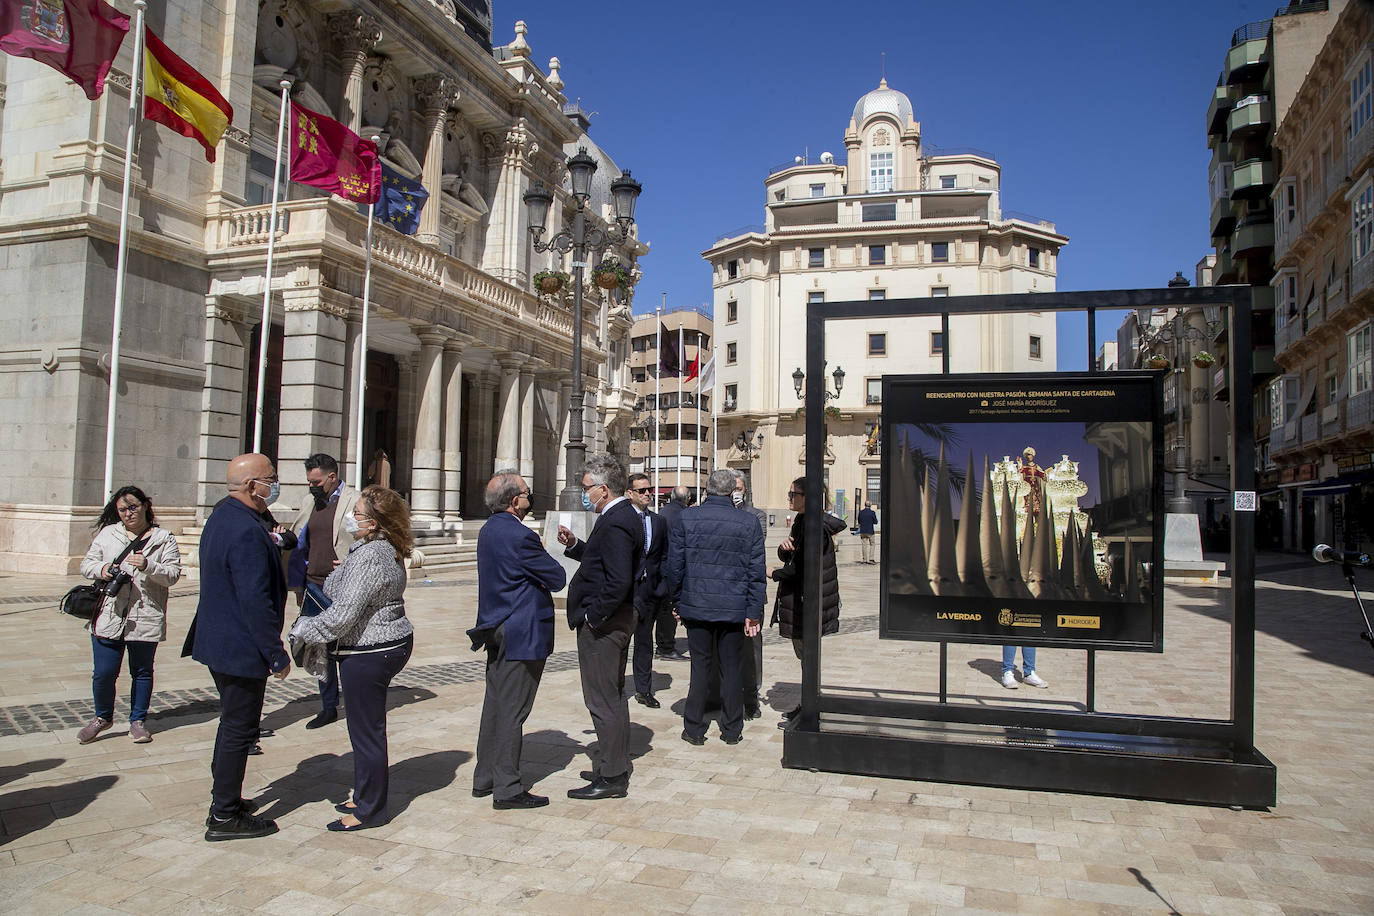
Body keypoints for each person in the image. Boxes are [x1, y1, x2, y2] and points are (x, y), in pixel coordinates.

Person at [291, 486, 415, 830]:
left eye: (357, 513)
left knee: (366, 732)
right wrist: (344, 570)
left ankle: (370, 809)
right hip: (381, 642)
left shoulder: (370, 556)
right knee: (364, 729)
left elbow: (343, 612)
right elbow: (335, 588)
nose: (351, 517)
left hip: (370, 649)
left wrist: (304, 632)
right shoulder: (374, 549)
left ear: (374, 523)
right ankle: (364, 794)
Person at [190, 453, 290, 841]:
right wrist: (275, 653)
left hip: (218, 640)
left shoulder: (223, 516)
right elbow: (255, 599)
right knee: (239, 729)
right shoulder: (246, 529)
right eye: (271, 478)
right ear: (253, 486)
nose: (274, 484)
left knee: (232, 724)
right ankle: (224, 815)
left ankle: (226, 797)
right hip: (239, 646)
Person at [468, 471, 566, 810]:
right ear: (514, 502)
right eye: (526, 494)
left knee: (495, 704)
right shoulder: (521, 536)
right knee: (513, 710)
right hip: (521, 630)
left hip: (495, 626)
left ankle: (485, 777)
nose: (529, 499)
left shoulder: (488, 530)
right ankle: (507, 787)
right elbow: (556, 577)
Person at [556, 453, 639, 801]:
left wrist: (594, 616)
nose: (584, 493)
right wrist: (576, 546)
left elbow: (618, 579)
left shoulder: (617, 520)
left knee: (602, 699)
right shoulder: (617, 516)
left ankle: (612, 775)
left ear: (604, 489)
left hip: (605, 626)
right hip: (611, 621)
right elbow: (603, 560)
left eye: (587, 488)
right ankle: (612, 763)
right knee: (612, 695)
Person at [76, 486, 182, 745]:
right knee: (103, 672)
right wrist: (103, 570)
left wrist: (149, 565)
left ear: (146, 505)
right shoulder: (108, 534)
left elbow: (173, 575)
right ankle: (102, 716)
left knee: (142, 671)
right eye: (122, 509)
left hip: (145, 614)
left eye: (133, 507)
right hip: (109, 615)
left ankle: (137, 720)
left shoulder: (163, 538)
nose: (128, 513)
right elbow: (86, 564)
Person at [667, 469, 765, 745]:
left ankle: (694, 728)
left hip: (697, 606)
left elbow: (674, 567)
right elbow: (756, 572)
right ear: (733, 490)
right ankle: (732, 730)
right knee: (731, 669)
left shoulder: (687, 519)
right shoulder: (748, 523)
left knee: (700, 667)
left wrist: (677, 601)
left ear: (707, 490)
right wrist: (753, 611)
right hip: (733, 608)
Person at [286, 453, 361, 729]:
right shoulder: (309, 502)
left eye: (316, 481)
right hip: (313, 585)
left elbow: (371, 533)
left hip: (343, 586)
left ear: (332, 477)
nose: (312, 486)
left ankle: (355, 703)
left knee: (347, 646)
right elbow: (299, 541)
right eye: (309, 482)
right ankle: (328, 705)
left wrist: (354, 560)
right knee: (320, 648)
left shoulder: (354, 500)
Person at [769, 476, 846, 724]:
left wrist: (773, 573)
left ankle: (811, 709)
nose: (789, 498)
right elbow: (793, 555)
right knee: (805, 659)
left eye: (793, 494)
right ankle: (808, 705)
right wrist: (784, 550)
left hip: (808, 603)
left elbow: (803, 569)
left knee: (808, 659)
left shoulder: (816, 527)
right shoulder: (803, 521)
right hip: (801, 601)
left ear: (808, 498)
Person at [625, 472, 669, 708]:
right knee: (621, 642)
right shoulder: (621, 519)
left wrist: (661, 586)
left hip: (649, 592)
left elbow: (663, 555)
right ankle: (616, 688)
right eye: (641, 491)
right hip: (625, 593)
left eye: (649, 490)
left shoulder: (659, 522)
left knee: (644, 642)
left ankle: (644, 689)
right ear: (629, 493)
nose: (647, 494)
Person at [732, 474, 768, 720]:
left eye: (739, 488)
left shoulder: (757, 516)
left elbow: (752, 547)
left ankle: (751, 697)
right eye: (732, 488)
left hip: (749, 591)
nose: (735, 492)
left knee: (751, 646)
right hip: (726, 592)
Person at [654, 485, 691, 660]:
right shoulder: (685, 516)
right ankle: (666, 647)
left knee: (663, 609)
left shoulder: (662, 513)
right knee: (669, 609)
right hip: (675, 568)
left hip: (660, 567)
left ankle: (663, 644)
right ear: (687, 498)